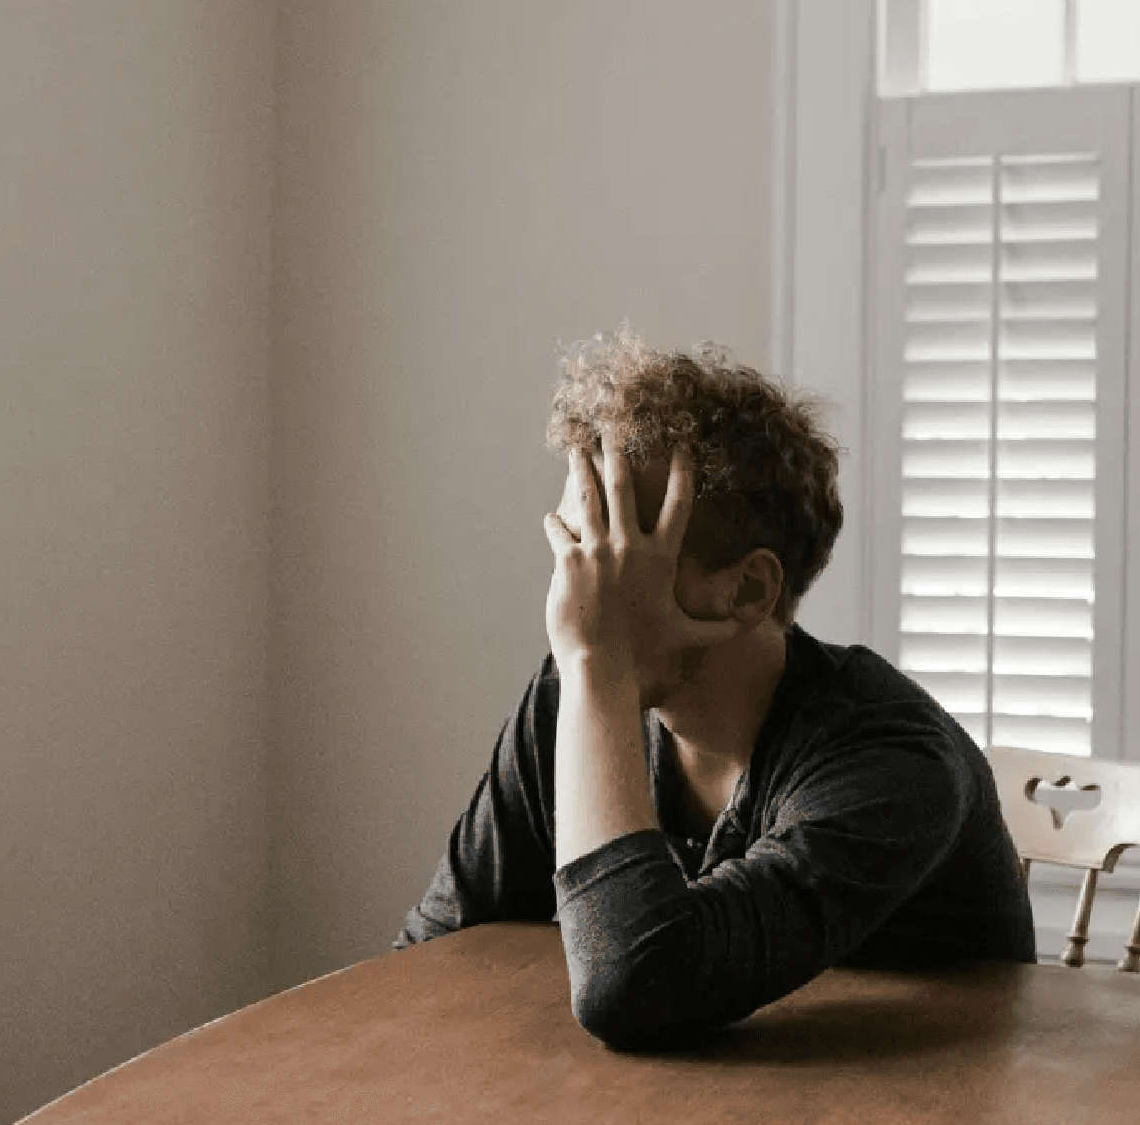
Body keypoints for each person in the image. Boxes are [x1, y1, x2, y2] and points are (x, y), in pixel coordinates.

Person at [397, 329, 1036, 1049]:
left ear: (748, 588)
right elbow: (433, 953)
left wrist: (598, 669)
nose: (573, 597)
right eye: (572, 550)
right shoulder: (574, 695)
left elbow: (634, 987)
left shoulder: (894, 761)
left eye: (614, 556)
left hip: (921, 1124)